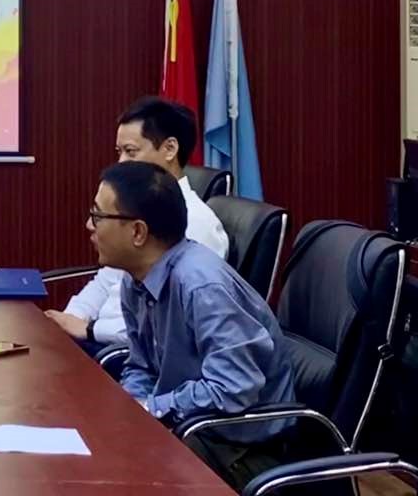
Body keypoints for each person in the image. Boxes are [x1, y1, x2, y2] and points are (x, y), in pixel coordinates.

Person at [93, 161, 296, 490]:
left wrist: (152, 408)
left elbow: (233, 387)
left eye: (99, 216)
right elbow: (142, 366)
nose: (90, 226)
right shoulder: (137, 279)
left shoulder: (202, 286)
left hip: (239, 449)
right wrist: (131, 410)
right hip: (189, 428)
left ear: (138, 232)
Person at [45, 97, 229, 352]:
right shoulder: (134, 208)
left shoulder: (194, 222)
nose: (121, 162)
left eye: (131, 152)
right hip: (99, 338)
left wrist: (88, 329)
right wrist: (70, 320)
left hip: (125, 350)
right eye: (119, 152)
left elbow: (169, 327)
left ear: (170, 149)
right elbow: (106, 279)